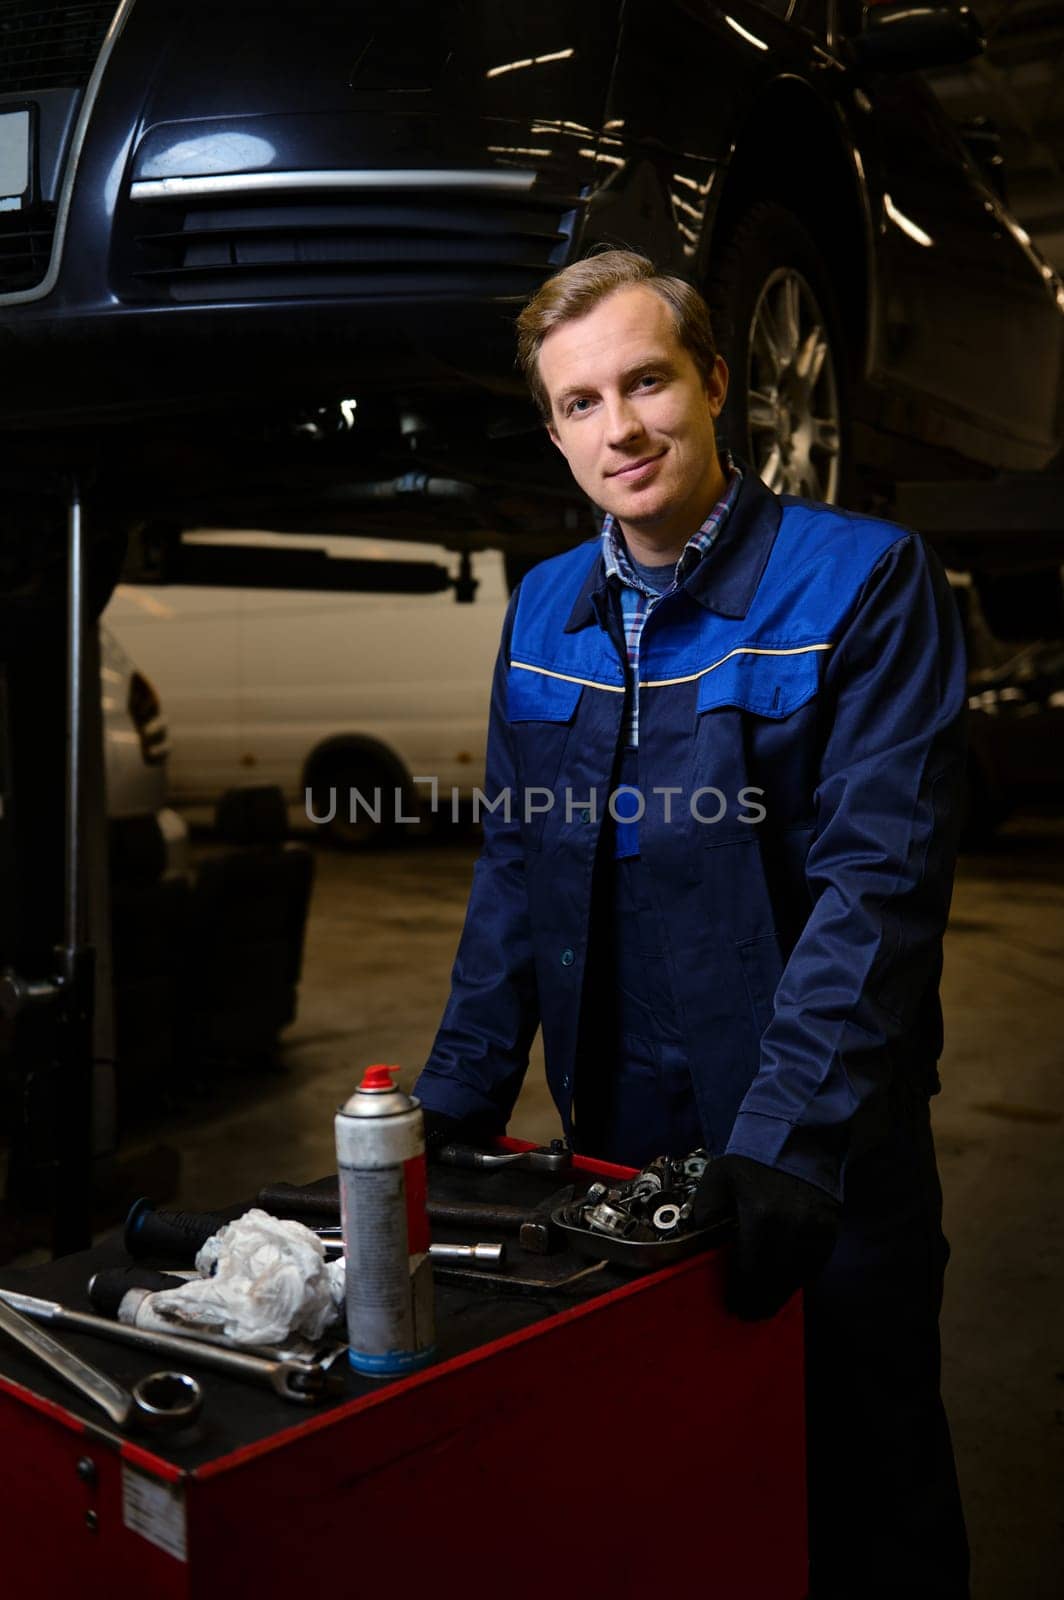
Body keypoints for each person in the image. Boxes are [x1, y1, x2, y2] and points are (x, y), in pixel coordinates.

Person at [414, 252, 969, 1597]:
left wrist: (785, 1143)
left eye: (649, 380)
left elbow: (875, 886)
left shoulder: (867, 582)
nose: (624, 429)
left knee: (862, 1501)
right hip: (613, 1153)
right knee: (660, 1504)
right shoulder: (547, 606)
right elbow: (516, 866)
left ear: (717, 384)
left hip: (820, 1165)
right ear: (554, 429)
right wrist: (456, 1104)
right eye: (584, 401)